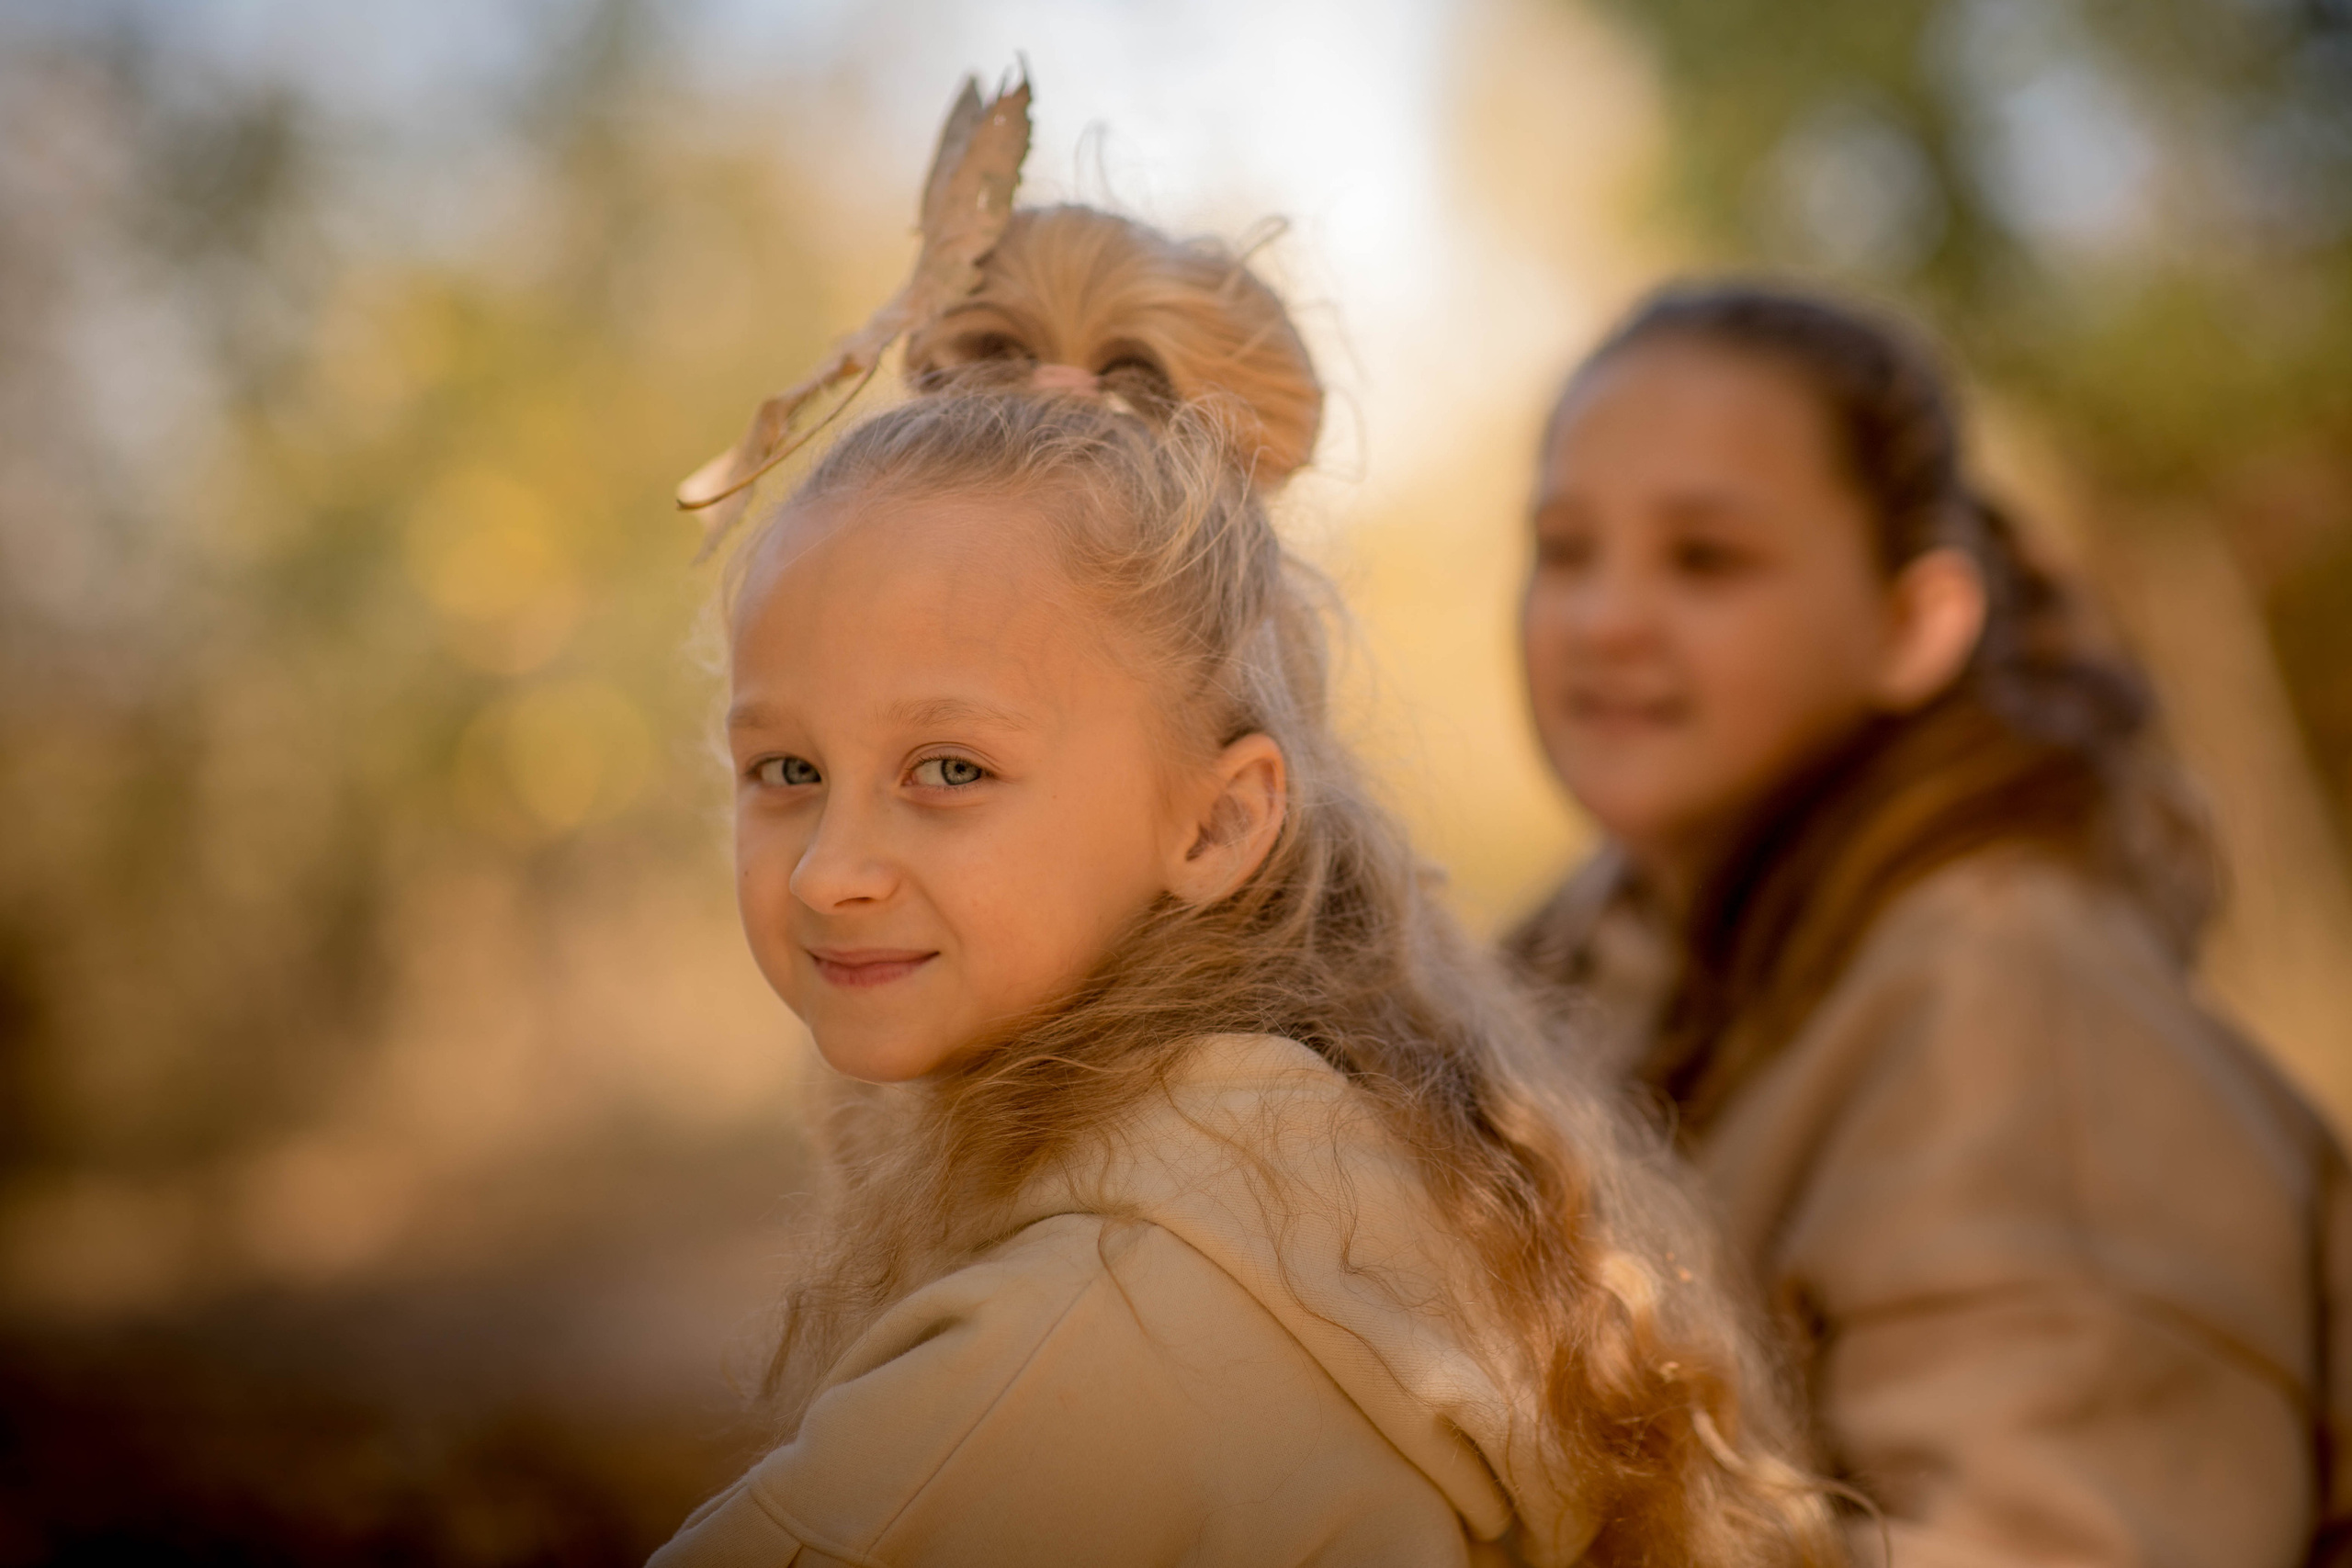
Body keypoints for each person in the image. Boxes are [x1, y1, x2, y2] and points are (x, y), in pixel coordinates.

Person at [644, 137, 1848, 1562]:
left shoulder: (1083, 1347)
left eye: (950, 770)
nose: (828, 869)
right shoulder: (1317, 1167)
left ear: (1219, 820)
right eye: (786, 769)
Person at [1509, 281, 2352, 1567]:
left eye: (1706, 559)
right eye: (1565, 549)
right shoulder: (1586, 968)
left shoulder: (2025, 1021)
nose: (1603, 617)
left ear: (1916, 625)